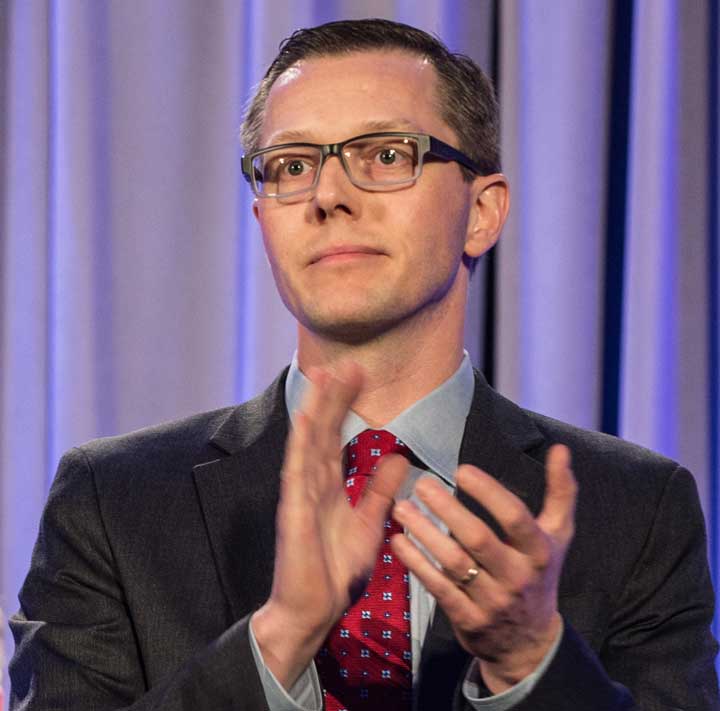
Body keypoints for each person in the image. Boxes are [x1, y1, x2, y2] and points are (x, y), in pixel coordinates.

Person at [8, 18, 718, 711]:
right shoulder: (112, 500)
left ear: (483, 211)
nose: (328, 195)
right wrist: (278, 638)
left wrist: (530, 663)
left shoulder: (637, 509)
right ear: (265, 222)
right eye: (292, 165)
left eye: (385, 155)